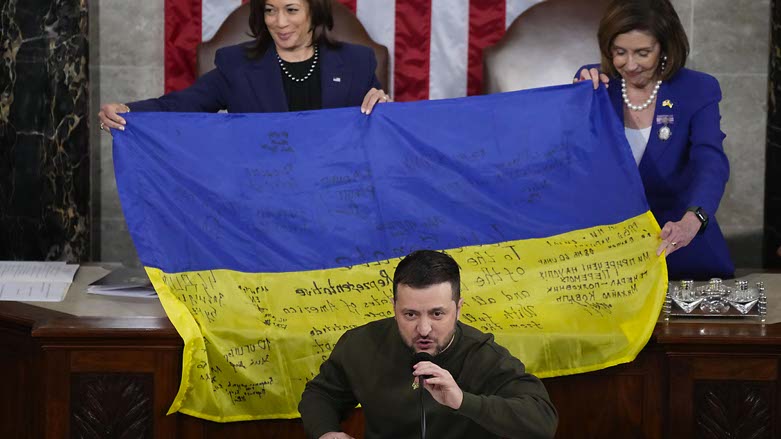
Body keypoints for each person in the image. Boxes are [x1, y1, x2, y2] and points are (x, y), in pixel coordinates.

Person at [298, 250, 558, 439]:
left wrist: (462, 401)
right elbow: (320, 395)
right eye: (410, 314)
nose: (423, 329)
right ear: (394, 308)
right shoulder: (360, 345)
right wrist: (327, 433)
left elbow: (542, 421)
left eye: (437, 314)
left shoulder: (482, 354)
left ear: (457, 309)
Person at [574, 0, 734, 280]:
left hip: (680, 249)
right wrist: (576, 102)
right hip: (608, 257)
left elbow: (710, 163)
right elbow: (571, 160)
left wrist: (693, 219)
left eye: (642, 53)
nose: (630, 64)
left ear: (665, 47)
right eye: (619, 52)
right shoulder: (594, 83)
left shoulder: (698, 89)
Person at [98, 0, 389, 134]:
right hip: (261, 204)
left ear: (314, 10)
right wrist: (129, 111)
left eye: (291, 9)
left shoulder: (356, 62)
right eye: (270, 10)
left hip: (338, 201)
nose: (280, 22)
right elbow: (182, 104)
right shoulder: (236, 65)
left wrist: (383, 107)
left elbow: (380, 128)